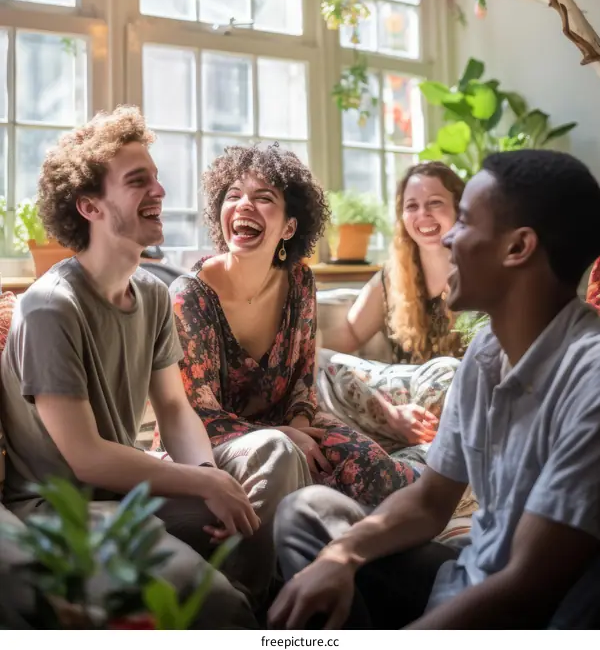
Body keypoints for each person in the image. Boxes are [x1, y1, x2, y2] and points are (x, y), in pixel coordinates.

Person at [269, 149, 600, 630]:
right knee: (308, 511)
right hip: (465, 575)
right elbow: (430, 502)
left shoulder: (590, 378)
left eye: (462, 221)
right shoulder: (488, 350)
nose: (446, 236)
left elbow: (527, 587)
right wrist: (340, 556)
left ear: (518, 248)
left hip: (528, 617)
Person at [0, 107, 270, 629]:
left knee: (256, 518)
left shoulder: (150, 293)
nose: (160, 190)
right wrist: (200, 486)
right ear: (89, 207)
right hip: (63, 515)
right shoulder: (50, 306)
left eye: (155, 176)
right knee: (217, 604)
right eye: (137, 180)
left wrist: (210, 475)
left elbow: (173, 406)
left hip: (128, 498)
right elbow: (86, 459)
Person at [165, 144, 418, 511]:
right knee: (297, 469)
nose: (244, 205)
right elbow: (196, 416)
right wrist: (284, 437)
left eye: (263, 197)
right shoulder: (189, 297)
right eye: (233, 195)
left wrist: (299, 427)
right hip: (209, 444)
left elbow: (303, 376)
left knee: (380, 474)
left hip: (287, 428)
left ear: (289, 227)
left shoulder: (300, 281)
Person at [317, 163, 470, 478]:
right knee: (323, 363)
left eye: (435, 203)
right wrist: (390, 414)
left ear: (459, 208)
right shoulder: (391, 278)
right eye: (411, 206)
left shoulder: (483, 271)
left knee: (450, 373)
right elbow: (345, 339)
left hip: (460, 406)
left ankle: (412, 465)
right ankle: (400, 460)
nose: (422, 214)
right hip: (401, 412)